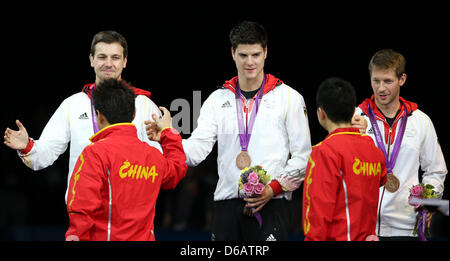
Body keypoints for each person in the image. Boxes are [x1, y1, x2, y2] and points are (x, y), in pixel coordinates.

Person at [147, 20, 312, 241]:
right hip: (227, 207)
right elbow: (196, 151)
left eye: (255, 54)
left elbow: (304, 156)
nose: (250, 62)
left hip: (271, 204)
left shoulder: (289, 98)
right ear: (233, 53)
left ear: (266, 52)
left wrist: (272, 189)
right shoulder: (218, 99)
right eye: (243, 55)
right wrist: (168, 136)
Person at [3, 31, 164, 202]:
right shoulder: (72, 105)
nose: (108, 63)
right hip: (85, 213)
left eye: (115, 57)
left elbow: (161, 163)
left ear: (124, 61)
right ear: (91, 60)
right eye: (102, 57)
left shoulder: (144, 105)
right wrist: (26, 146)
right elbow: (45, 154)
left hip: (131, 214)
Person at [65, 79, 187, 241]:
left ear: (99, 116)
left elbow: (82, 204)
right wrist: (167, 134)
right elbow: (177, 169)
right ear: (134, 114)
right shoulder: (153, 156)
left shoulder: (95, 153)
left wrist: (76, 235)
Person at [355, 49, 447, 240]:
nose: (381, 88)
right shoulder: (356, 118)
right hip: (363, 226)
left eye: (388, 81)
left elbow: (436, 170)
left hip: (405, 226)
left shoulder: (421, 121)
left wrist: (428, 202)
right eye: (376, 80)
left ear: (402, 79)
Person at [302, 77, 387, 241]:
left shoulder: (324, 151)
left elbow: (317, 209)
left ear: (321, 113)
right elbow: (382, 178)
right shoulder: (372, 149)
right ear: (352, 112)